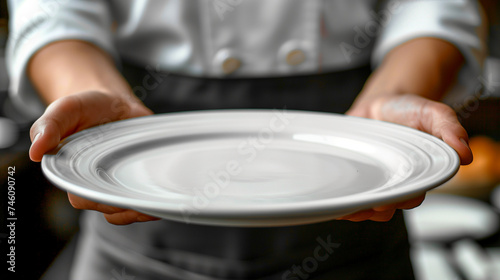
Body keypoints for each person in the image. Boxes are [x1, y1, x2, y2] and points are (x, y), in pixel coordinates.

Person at [6, 0, 486, 279]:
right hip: (134, 249)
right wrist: (99, 117)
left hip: (355, 246)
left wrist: (396, 98)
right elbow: (54, 11)